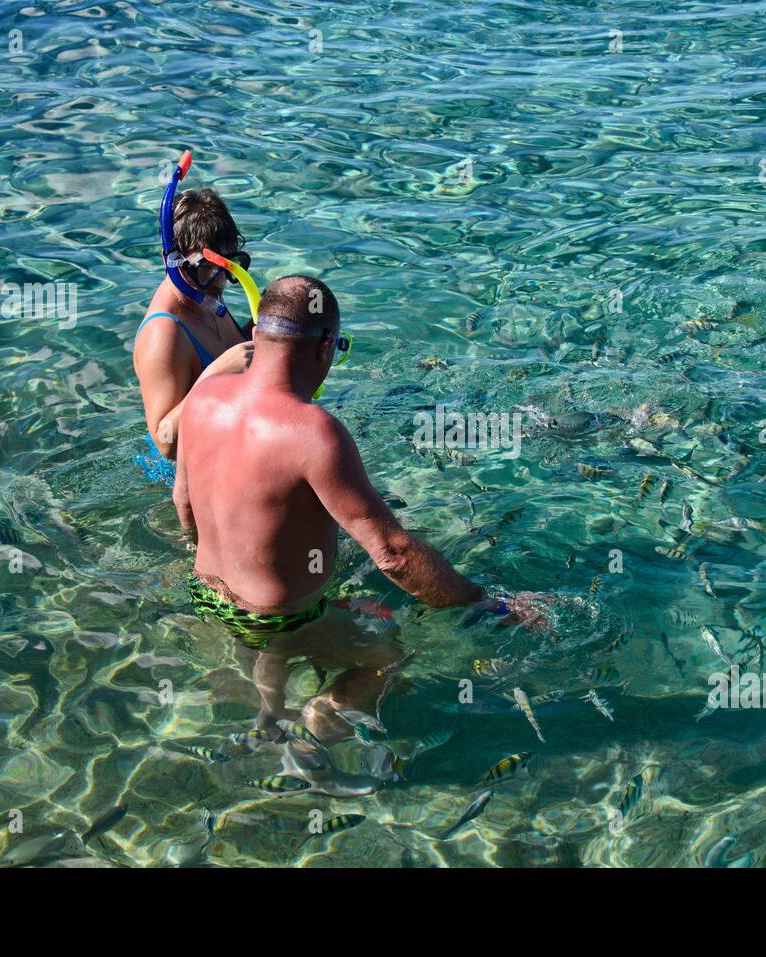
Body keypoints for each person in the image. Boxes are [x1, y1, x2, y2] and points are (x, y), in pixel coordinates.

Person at [173, 275, 495, 744]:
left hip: (206, 595)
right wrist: (482, 601)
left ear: (256, 336)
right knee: (385, 653)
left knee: (319, 619)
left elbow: (183, 501)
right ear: (325, 346)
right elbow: (394, 555)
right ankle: (316, 730)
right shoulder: (314, 432)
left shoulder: (202, 398)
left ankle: (269, 714)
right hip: (278, 619)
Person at [133, 185, 256, 482]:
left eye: (229, 266)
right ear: (171, 260)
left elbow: (231, 352)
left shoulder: (204, 290)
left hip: (233, 457)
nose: (219, 281)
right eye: (206, 267)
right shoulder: (164, 333)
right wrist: (216, 374)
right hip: (189, 485)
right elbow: (165, 442)